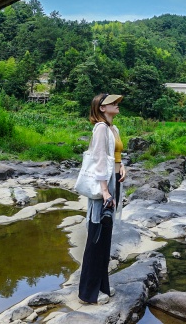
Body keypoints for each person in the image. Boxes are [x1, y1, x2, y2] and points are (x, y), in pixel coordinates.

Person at [77, 93, 127, 305]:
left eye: (116, 102)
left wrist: (122, 166)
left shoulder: (112, 128)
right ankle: (88, 294)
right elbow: (98, 160)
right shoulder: (99, 128)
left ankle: (102, 287)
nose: (116, 105)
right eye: (112, 103)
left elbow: (115, 155)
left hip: (113, 180)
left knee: (105, 236)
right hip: (103, 184)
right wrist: (105, 191)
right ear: (101, 108)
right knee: (96, 236)